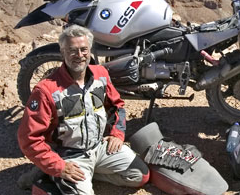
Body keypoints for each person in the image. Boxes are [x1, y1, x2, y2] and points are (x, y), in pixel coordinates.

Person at [17, 25, 149, 195]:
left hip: (99, 147)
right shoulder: (46, 90)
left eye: (84, 49)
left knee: (139, 175)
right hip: (69, 156)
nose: (79, 56)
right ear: (63, 52)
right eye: (72, 50)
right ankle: (50, 179)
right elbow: (29, 138)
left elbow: (117, 106)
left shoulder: (101, 74)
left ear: (90, 50)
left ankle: (82, 176)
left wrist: (117, 134)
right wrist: (59, 167)